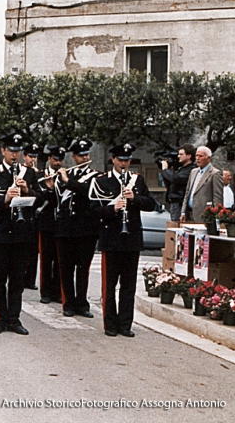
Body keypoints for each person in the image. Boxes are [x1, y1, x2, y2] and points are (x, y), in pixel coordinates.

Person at [89, 143, 155, 337]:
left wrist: (134, 198)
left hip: (132, 238)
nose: (124, 163)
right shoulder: (102, 181)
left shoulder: (137, 181)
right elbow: (93, 210)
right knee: (109, 285)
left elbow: (151, 204)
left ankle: (125, 324)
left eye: (127, 160)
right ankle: (110, 324)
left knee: (128, 285)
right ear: (114, 160)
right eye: (121, 160)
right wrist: (113, 209)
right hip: (111, 238)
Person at [0, 132, 40, 335]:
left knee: (17, 280)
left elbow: (41, 198)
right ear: (3, 151)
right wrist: (4, 198)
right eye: (11, 151)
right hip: (0, 231)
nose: (15, 155)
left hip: (22, 233)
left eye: (17, 151)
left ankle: (14, 318)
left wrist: (27, 190)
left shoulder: (28, 173)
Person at [52, 139, 101, 318]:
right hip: (65, 228)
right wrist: (59, 180)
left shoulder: (95, 175)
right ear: (73, 157)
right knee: (66, 268)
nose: (84, 157)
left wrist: (68, 181)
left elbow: (89, 191)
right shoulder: (63, 175)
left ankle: (82, 303)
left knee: (83, 268)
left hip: (86, 229)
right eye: (80, 155)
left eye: (86, 154)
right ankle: (68, 304)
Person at [37, 145, 66, 304]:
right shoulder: (40, 176)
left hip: (61, 223)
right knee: (46, 259)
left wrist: (56, 186)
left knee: (60, 259)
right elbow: (40, 199)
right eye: (55, 159)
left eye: (60, 160)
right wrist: (49, 189)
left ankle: (57, 292)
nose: (58, 163)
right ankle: (45, 292)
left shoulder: (64, 177)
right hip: (46, 222)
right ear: (49, 159)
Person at [180, 146, 224, 222]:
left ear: (208, 158)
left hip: (204, 216)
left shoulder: (215, 174)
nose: (197, 158)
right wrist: (183, 212)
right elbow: (187, 193)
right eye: (196, 155)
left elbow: (217, 198)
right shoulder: (193, 172)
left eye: (201, 156)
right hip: (189, 214)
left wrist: (216, 216)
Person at [160, 144, 197, 221]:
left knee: (178, 225)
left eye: (181, 154)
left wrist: (165, 170)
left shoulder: (191, 169)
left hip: (181, 203)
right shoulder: (181, 169)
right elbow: (170, 183)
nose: (178, 156)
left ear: (189, 156)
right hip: (175, 202)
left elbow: (176, 179)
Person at [22, 143, 40, 290]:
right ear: (25, 157)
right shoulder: (22, 171)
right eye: (30, 156)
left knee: (32, 250)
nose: (33, 159)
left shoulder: (35, 173)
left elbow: (39, 194)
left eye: (35, 157)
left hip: (31, 215)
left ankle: (30, 279)